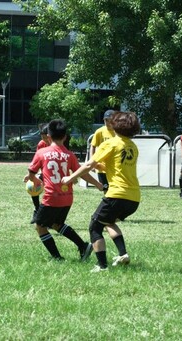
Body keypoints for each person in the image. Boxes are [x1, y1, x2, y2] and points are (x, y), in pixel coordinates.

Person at [62, 111, 141, 273]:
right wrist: (100, 166)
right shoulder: (133, 146)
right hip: (133, 198)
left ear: (115, 125)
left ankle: (102, 266)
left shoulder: (111, 143)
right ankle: (123, 254)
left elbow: (88, 165)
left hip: (117, 194)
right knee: (108, 221)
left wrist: (70, 178)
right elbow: (117, 167)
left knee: (94, 227)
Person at [24, 119, 103, 261]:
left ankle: (57, 257)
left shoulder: (42, 152)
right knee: (56, 224)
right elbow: (82, 173)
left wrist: (33, 179)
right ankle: (83, 246)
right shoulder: (69, 155)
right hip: (67, 198)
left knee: (40, 227)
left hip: (51, 197)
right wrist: (98, 184)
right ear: (65, 137)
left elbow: (31, 173)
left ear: (48, 136)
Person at [90, 109, 116, 192]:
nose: (107, 123)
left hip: (114, 167)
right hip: (101, 167)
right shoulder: (99, 132)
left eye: (110, 120)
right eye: (106, 120)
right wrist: (92, 162)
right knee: (105, 190)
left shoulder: (118, 132)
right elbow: (93, 146)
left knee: (114, 190)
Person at [29, 125, 50, 224]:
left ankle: (50, 217)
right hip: (44, 172)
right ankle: (37, 210)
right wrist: (32, 173)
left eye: (46, 137)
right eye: (42, 137)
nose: (44, 140)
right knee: (33, 186)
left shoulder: (57, 144)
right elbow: (37, 160)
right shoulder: (41, 144)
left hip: (54, 174)